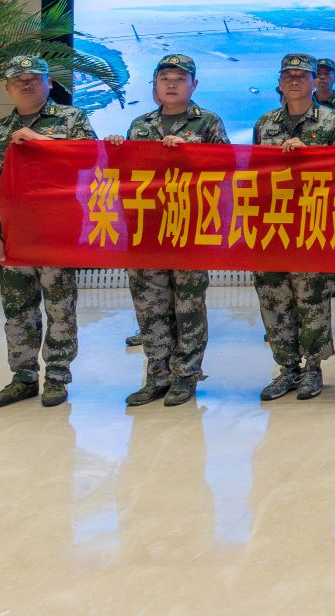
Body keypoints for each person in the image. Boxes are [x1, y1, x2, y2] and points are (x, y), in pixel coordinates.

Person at [0, 57, 97, 411]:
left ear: (48, 82)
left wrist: (40, 140)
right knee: (17, 310)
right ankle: (23, 377)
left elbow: (91, 160)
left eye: (34, 78)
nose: (26, 84)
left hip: (57, 234)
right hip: (14, 238)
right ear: (7, 88)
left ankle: (57, 376)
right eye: (18, 80)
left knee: (60, 308)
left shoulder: (71, 120)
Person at [109, 54, 227, 407]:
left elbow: (226, 168)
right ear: (155, 85)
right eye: (165, 78)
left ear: (194, 85)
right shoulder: (140, 125)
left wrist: (192, 154)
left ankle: (186, 376)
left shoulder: (207, 122)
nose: (172, 84)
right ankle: (157, 376)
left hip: (189, 228)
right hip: (147, 229)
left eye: (180, 78)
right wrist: (115, 153)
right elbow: (126, 176)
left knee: (188, 305)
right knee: (150, 306)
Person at [251, 52, 335, 401]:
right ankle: (286, 368)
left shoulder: (332, 121)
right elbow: (254, 169)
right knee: (273, 298)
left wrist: (309, 153)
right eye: (288, 75)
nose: (294, 80)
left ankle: (312, 368)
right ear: (279, 83)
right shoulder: (265, 123)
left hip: (313, 222)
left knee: (311, 299)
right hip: (272, 225)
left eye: (301, 75)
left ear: (314, 82)